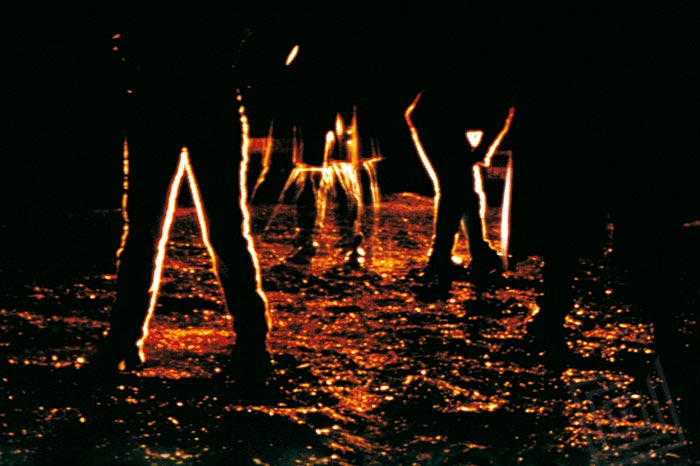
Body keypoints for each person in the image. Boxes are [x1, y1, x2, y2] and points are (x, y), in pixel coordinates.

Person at [91, 6, 273, 380]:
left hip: (157, 99)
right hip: (208, 100)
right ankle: (252, 344)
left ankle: (124, 342)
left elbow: (113, 31)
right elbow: (260, 33)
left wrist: (131, 65)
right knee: (225, 230)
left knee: (145, 232)